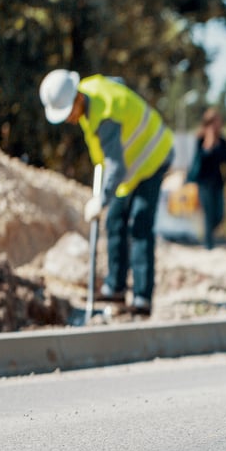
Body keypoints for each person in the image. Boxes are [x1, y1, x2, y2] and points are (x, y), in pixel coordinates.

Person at [39, 69, 173, 316]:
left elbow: (116, 165)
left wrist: (102, 198)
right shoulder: (91, 90)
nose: (68, 118)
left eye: (68, 111)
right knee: (114, 220)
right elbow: (119, 83)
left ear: (77, 98)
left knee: (140, 223)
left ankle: (143, 298)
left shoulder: (105, 116)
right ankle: (116, 288)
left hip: (153, 156)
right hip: (131, 169)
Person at [188, 108, 226, 250]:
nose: (218, 125)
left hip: (218, 182)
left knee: (219, 214)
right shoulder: (200, 140)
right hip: (204, 183)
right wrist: (208, 145)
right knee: (208, 214)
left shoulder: (223, 141)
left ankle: (209, 239)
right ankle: (208, 246)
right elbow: (198, 161)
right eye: (215, 122)